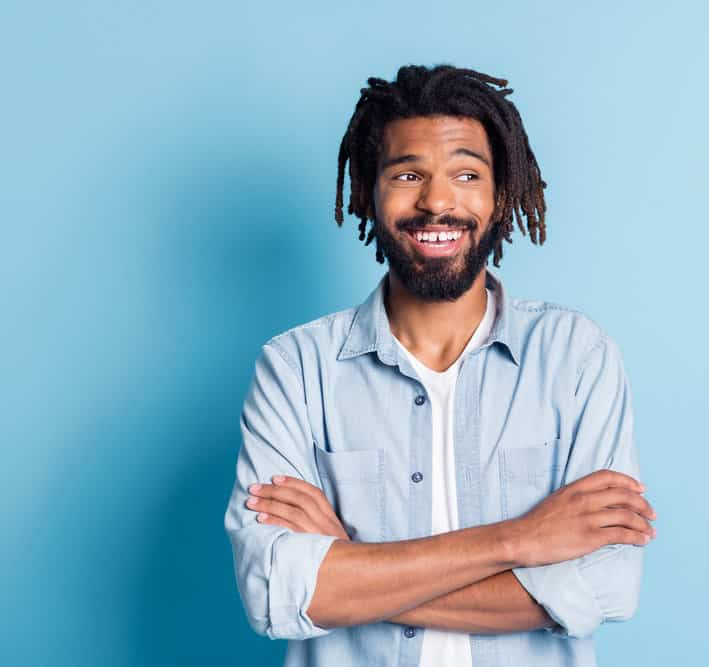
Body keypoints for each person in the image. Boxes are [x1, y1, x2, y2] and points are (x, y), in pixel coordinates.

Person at [223, 64, 655, 667]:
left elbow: (602, 587)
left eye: (465, 174)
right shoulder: (295, 370)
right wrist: (519, 541)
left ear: (500, 194)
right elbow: (276, 594)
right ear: (366, 193)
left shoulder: (576, 358)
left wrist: (351, 568)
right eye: (407, 174)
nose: (437, 201)